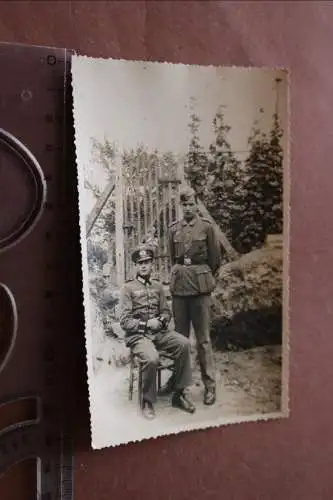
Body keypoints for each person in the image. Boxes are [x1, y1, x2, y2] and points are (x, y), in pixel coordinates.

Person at [119, 245, 196, 420]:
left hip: (159, 333)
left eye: (147, 262)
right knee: (152, 358)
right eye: (140, 263)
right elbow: (125, 321)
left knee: (184, 344)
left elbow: (166, 312)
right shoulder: (128, 288)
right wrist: (147, 324)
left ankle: (179, 394)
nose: (144, 266)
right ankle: (147, 401)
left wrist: (161, 320)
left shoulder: (158, 286)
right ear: (135, 266)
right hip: (138, 336)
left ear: (152, 264)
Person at [166, 186, 221, 406]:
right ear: (180, 206)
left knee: (203, 340)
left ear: (196, 204)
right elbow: (173, 259)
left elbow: (215, 260)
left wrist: (204, 278)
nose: (188, 208)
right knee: (180, 339)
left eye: (191, 204)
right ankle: (179, 384)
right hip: (180, 290)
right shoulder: (173, 230)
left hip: (200, 290)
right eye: (184, 205)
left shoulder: (206, 228)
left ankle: (210, 386)